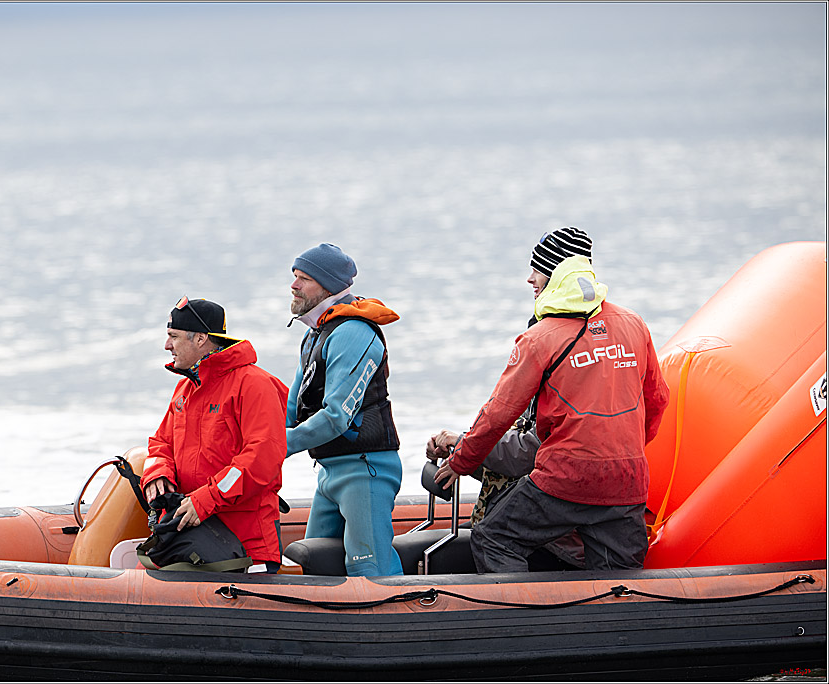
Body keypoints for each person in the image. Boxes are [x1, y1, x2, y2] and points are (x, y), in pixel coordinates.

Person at [427, 227, 670, 573]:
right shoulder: (634, 324)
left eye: (537, 269)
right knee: (620, 582)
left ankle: (522, 624)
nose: (529, 279)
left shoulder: (538, 338)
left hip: (565, 479)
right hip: (627, 480)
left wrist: (462, 461)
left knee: (492, 537)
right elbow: (658, 401)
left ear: (556, 273)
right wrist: (621, 451)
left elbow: (497, 415)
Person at [140, 296, 289, 573]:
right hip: (193, 538)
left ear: (199, 339)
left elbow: (261, 459)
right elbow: (161, 443)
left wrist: (206, 499)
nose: (167, 346)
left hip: (244, 546)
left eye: (173, 336)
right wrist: (157, 474)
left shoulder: (255, 385)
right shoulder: (186, 389)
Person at [285, 243, 404, 577]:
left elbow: (338, 416)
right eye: (294, 276)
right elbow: (292, 405)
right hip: (328, 470)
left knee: (371, 572)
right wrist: (260, 443)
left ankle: (398, 624)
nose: (294, 285)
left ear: (328, 286)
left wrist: (283, 446)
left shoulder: (353, 332)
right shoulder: (314, 335)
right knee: (316, 569)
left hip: (364, 469)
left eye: (303, 278)